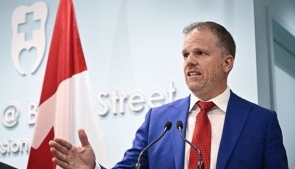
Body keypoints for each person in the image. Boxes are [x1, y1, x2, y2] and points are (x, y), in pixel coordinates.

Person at [49, 21, 289, 169]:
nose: (190, 61)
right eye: (185, 55)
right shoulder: (158, 120)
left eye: (201, 53)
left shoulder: (261, 122)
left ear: (227, 63)